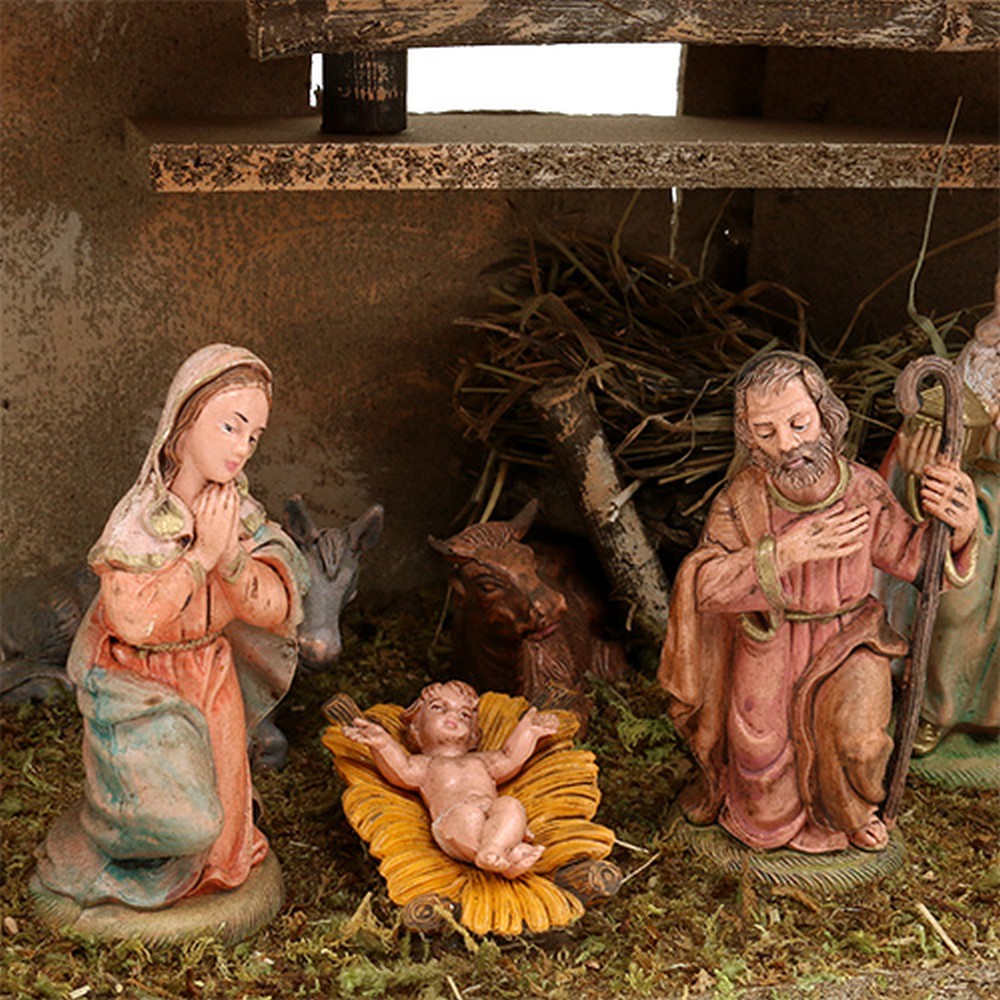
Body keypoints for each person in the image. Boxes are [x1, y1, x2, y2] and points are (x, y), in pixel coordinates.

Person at [659, 351, 977, 853]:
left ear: (825, 417)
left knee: (860, 741)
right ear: (749, 438)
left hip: (849, 640)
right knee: (758, 761)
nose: (787, 444)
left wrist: (958, 527)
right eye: (766, 432)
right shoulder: (742, 500)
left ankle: (849, 814)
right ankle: (760, 817)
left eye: (798, 423)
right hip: (770, 642)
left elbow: (917, 560)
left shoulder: (863, 490)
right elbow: (705, 584)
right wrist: (784, 553)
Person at [34, 344, 307, 909]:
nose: (242, 448)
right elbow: (135, 619)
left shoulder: (240, 516)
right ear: (184, 423)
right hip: (140, 684)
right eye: (230, 426)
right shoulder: (138, 523)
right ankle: (114, 845)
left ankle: (211, 869)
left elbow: (278, 606)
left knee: (223, 831)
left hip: (211, 672)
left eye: (254, 436)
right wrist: (200, 557)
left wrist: (231, 559)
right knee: (180, 817)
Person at [882, 278, 999, 756]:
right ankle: (897, 672)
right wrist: (921, 443)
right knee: (912, 520)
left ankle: (941, 706)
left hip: (991, 493)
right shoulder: (983, 345)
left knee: (960, 594)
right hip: (957, 470)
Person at [344, 681, 560, 878]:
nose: (453, 715)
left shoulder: (481, 760)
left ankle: (497, 851)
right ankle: (506, 854)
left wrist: (529, 731)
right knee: (469, 816)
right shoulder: (426, 765)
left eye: (464, 714)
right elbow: (401, 769)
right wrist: (382, 744)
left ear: (474, 735)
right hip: (453, 821)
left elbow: (509, 757)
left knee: (510, 805)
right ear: (416, 728)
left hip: (491, 814)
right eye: (438, 707)